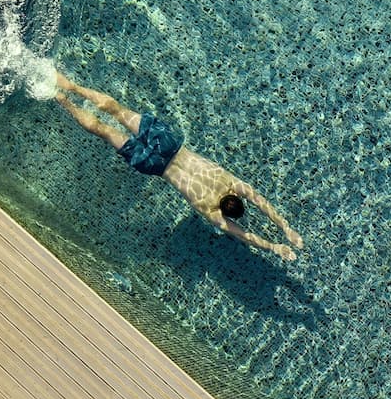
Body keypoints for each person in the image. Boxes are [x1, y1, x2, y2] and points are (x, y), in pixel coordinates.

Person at [54, 72, 303, 261]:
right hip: (155, 165)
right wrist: (274, 247)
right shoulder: (212, 211)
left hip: (169, 145)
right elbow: (243, 235)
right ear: (226, 211)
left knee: (118, 111)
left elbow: (260, 201)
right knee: (104, 130)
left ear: (236, 196)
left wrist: (286, 227)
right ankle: (63, 100)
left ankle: (70, 86)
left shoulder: (231, 183)